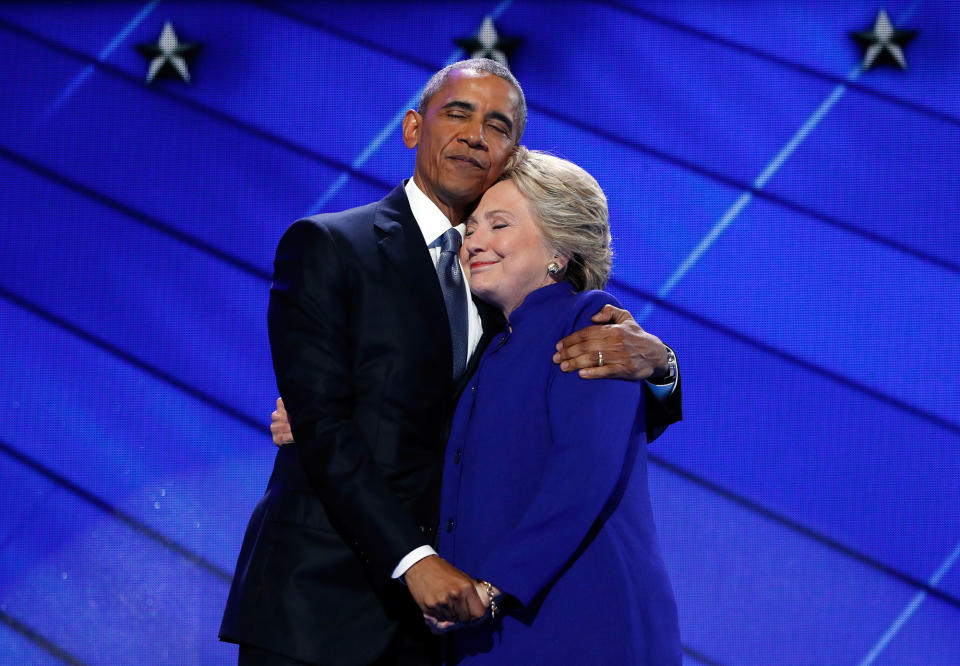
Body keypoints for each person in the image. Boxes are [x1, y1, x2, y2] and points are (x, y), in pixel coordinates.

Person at [220, 59, 680, 666]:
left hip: (450, 623)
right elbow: (323, 422)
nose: (474, 134)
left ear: (512, 155)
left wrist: (664, 365)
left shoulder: (514, 291)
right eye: (458, 112)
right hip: (322, 603)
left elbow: (580, 423)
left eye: (498, 125)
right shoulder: (330, 246)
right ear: (413, 128)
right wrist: (415, 559)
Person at [427, 148, 681, 663]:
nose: (474, 240)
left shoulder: (588, 322)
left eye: (499, 225)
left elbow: (584, 470)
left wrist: (494, 587)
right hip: (493, 630)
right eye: (471, 228)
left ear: (557, 252)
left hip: (579, 622)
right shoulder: (490, 349)